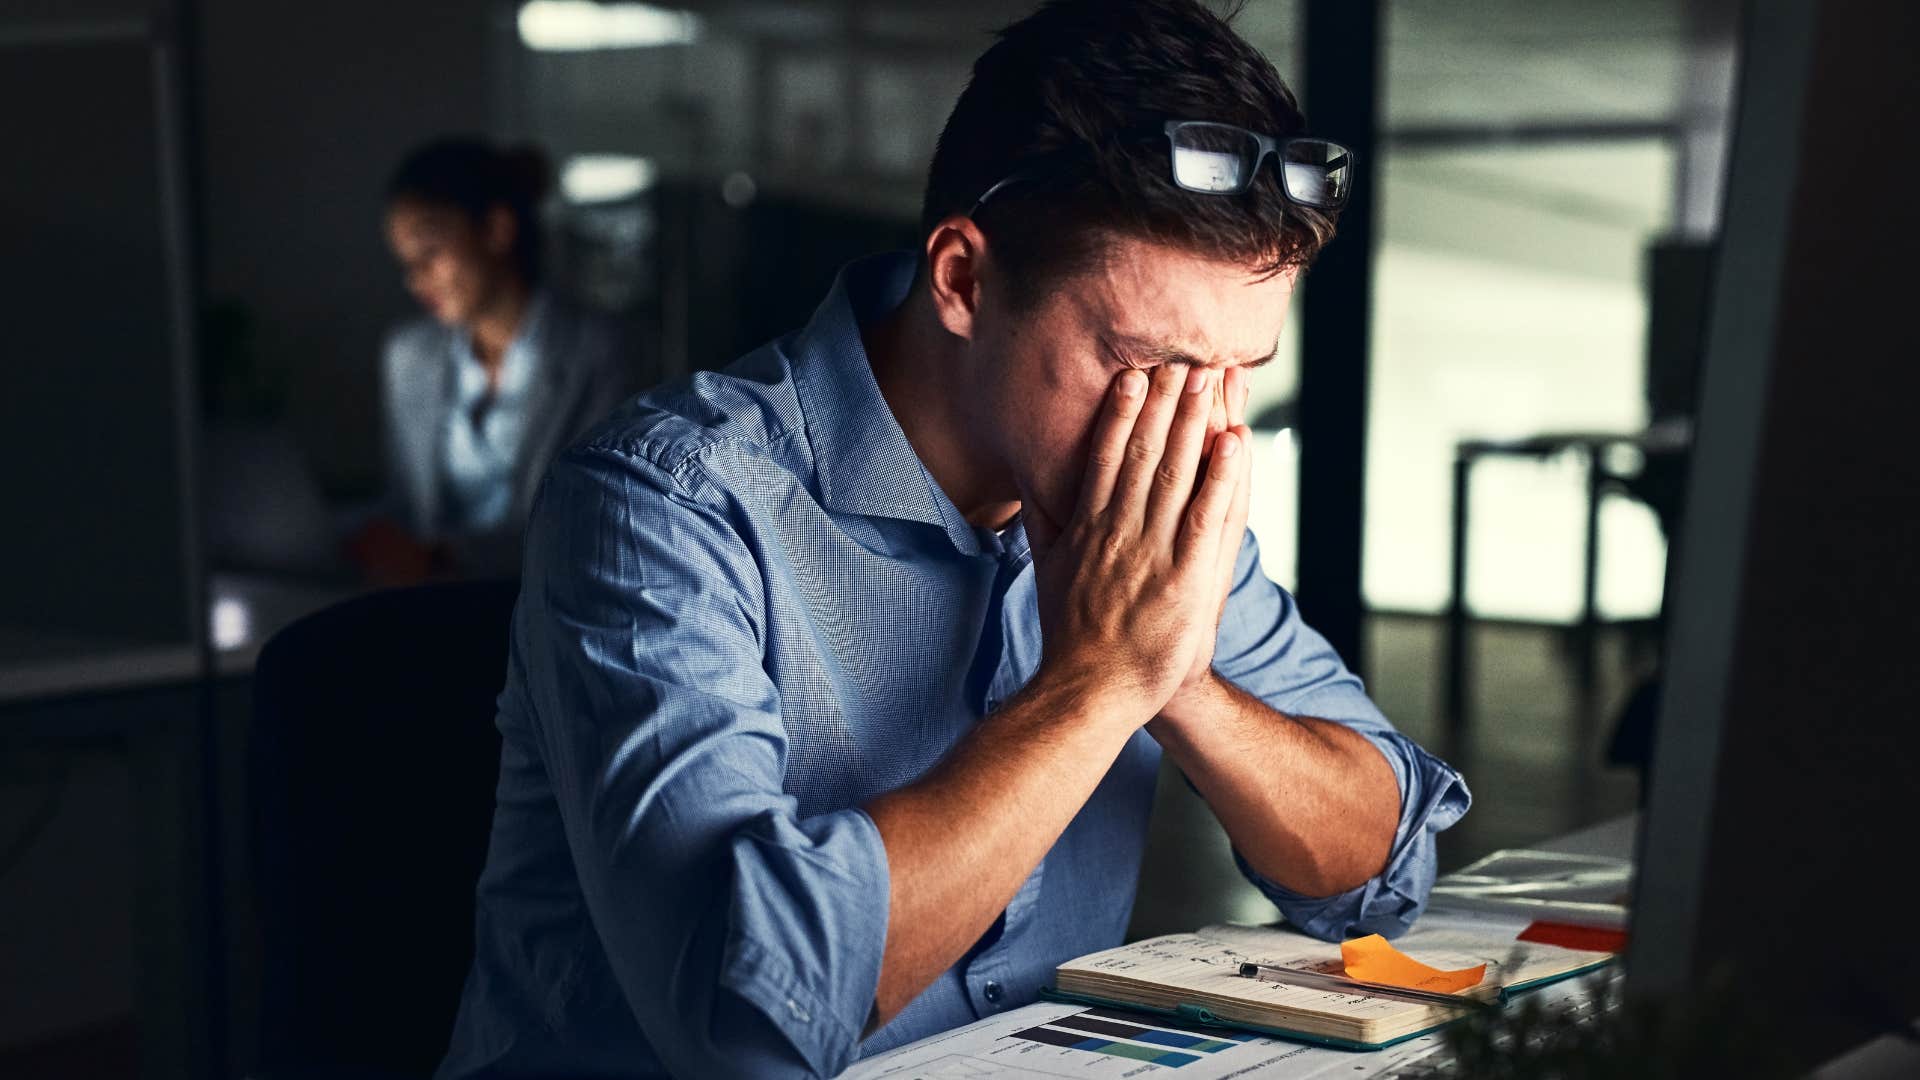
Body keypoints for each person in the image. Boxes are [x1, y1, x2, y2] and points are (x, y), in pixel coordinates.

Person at [438, 2, 1469, 1076]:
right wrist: (1099, 683)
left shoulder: (1140, 510)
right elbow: (745, 1020)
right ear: (965, 280)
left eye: (1240, 374)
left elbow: (1382, 871)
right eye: (1148, 364)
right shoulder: (664, 501)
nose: (1196, 431)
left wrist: (1178, 677)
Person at [351, 137, 636, 583]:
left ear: (496, 230)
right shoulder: (408, 357)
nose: (415, 279)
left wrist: (446, 557)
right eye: (405, 262)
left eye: (429, 253)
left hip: (551, 606)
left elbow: (592, 518)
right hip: (428, 609)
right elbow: (407, 505)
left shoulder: (596, 350)